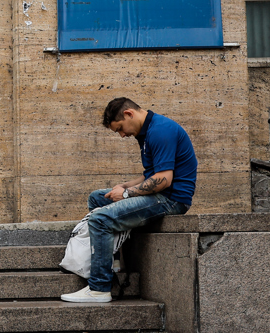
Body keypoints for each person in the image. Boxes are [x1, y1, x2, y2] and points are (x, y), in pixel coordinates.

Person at [61, 97, 197, 304]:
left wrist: (126, 194)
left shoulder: (160, 130)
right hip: (159, 194)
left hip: (171, 199)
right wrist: (124, 186)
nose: (123, 135)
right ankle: (114, 263)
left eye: (120, 129)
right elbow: (151, 174)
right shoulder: (146, 132)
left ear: (129, 114)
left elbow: (164, 180)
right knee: (98, 198)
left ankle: (99, 288)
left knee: (100, 219)